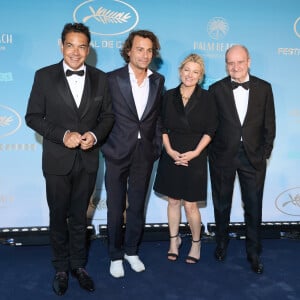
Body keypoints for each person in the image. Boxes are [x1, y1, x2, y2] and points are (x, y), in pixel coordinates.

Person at [25, 23, 114, 295]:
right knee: (58, 216)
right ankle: (61, 267)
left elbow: (108, 117)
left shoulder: (101, 78)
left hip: (87, 161)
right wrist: (62, 135)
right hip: (56, 161)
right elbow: (33, 117)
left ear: (89, 49)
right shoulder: (44, 76)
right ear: (61, 45)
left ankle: (79, 265)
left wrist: (94, 135)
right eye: (70, 45)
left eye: (82, 46)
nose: (76, 52)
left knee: (80, 217)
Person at [101, 30, 165, 278]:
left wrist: (156, 145)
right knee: (116, 208)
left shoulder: (158, 81)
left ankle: (131, 251)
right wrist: (106, 145)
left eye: (149, 50)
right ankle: (115, 255)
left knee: (138, 206)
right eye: (140, 49)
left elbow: (157, 117)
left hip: (145, 153)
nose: (145, 54)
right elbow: (103, 116)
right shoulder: (112, 79)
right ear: (129, 50)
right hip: (117, 151)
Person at [208, 45, 276, 274]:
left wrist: (263, 153)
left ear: (248, 61)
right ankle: (221, 243)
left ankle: (254, 252)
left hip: (253, 158)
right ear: (226, 64)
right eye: (230, 63)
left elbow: (270, 125)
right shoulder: (215, 89)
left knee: (254, 207)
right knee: (221, 204)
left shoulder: (264, 88)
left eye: (239, 62)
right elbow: (211, 126)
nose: (235, 67)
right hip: (222, 157)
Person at [153, 53, 216, 264]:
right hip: (171, 153)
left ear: (201, 76)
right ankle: (174, 241)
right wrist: (169, 150)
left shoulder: (208, 98)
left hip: (195, 155)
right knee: (172, 201)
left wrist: (196, 152)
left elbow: (211, 129)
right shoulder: (167, 96)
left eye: (195, 72)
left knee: (190, 205)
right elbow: (161, 125)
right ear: (180, 72)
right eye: (187, 70)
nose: (190, 75)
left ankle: (196, 243)